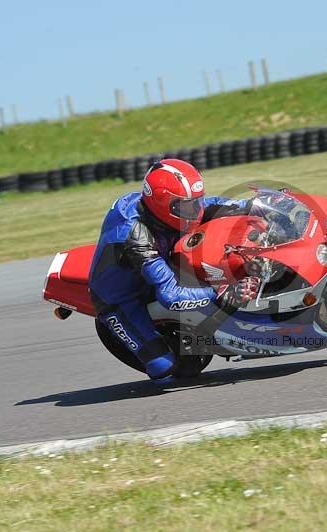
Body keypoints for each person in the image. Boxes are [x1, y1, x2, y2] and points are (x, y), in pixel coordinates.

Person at [88, 159, 259, 380]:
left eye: (194, 203)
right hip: (122, 299)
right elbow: (170, 295)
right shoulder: (136, 238)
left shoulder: (167, 208)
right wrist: (223, 293)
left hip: (161, 262)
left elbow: (208, 204)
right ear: (160, 203)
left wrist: (249, 205)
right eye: (186, 207)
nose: (195, 212)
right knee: (165, 369)